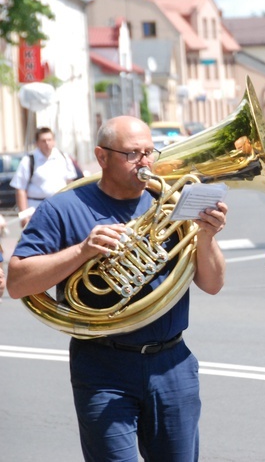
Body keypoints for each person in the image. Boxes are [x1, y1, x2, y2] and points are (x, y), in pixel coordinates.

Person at [6, 116, 228, 461]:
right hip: (103, 365)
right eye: (132, 154)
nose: (145, 163)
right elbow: (18, 281)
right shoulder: (63, 208)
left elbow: (212, 284)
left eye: (149, 152)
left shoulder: (169, 202)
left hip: (172, 363)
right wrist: (83, 252)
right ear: (102, 156)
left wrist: (207, 237)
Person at [10, 127, 81, 228]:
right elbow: (20, 189)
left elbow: (71, 183)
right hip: (37, 209)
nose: (47, 143)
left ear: (54, 141)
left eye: (49, 140)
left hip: (60, 207)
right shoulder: (29, 160)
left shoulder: (63, 157)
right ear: (37, 143)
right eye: (43, 141)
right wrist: (24, 216)